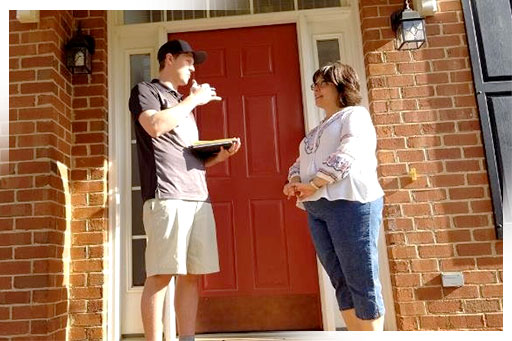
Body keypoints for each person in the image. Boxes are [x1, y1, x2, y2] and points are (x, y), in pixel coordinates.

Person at [129, 39, 241, 341]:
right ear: (169, 59)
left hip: (197, 198)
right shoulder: (146, 91)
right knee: (161, 274)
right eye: (189, 61)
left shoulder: (183, 105)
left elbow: (187, 156)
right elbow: (155, 126)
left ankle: (187, 338)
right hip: (166, 196)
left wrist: (219, 156)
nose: (193, 68)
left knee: (192, 276)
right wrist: (193, 100)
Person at [283, 62, 385, 331]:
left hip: (350, 204)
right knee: (340, 279)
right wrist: (294, 182)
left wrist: (314, 183)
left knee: (361, 278)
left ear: (342, 86)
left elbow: (348, 153)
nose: (315, 89)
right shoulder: (318, 129)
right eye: (314, 84)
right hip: (318, 208)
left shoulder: (354, 115)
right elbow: (300, 162)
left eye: (322, 83)